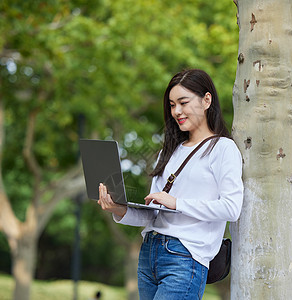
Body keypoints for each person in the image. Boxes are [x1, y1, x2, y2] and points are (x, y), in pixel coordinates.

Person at [98, 69, 243, 299]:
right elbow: (153, 214)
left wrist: (177, 203)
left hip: (185, 257)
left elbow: (231, 208)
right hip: (150, 254)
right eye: (172, 105)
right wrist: (118, 208)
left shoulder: (223, 149)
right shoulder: (169, 152)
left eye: (183, 103)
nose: (176, 111)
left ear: (207, 100)